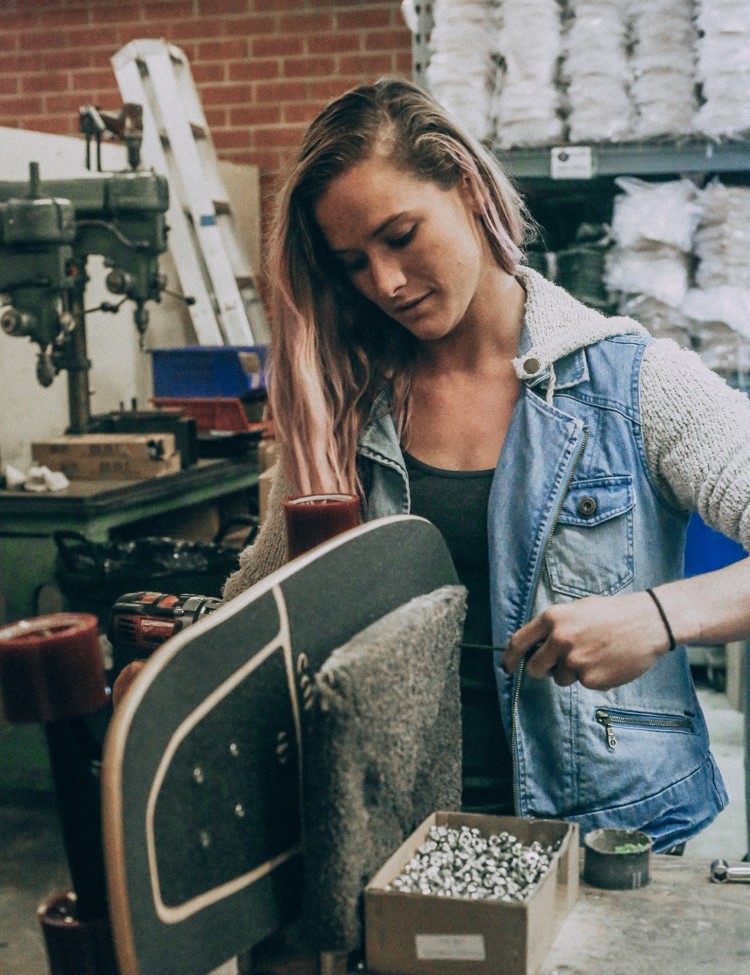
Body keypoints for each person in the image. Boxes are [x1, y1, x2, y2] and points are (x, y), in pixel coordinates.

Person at [128, 78, 750, 852]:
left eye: (401, 235)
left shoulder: (631, 383)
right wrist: (162, 679)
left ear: (464, 184)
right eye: (353, 262)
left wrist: (658, 617)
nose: (384, 283)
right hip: (400, 847)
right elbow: (263, 595)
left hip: (608, 848)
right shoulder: (348, 408)